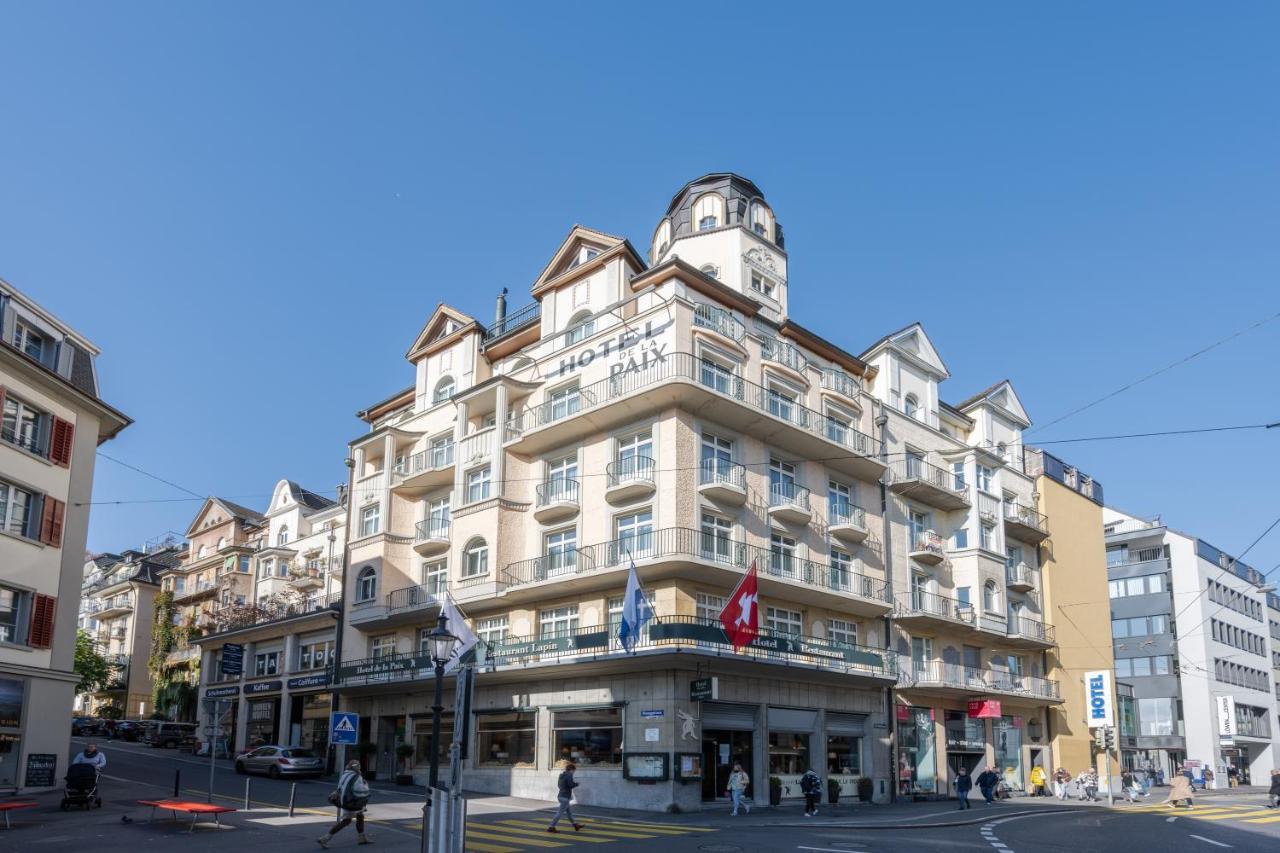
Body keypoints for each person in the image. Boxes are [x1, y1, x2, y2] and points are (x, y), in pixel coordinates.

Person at [317, 760, 372, 847]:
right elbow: (359, 789)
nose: (359, 767)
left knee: (360, 816)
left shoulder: (345, 774)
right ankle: (325, 838)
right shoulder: (357, 776)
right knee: (347, 821)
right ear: (356, 767)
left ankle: (362, 838)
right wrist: (366, 785)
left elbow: (340, 787)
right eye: (358, 766)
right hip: (353, 802)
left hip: (345, 800)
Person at [547, 762, 583, 833]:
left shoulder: (561, 775)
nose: (574, 772)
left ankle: (575, 825)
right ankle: (551, 827)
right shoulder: (569, 775)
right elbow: (570, 785)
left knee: (569, 813)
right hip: (565, 797)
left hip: (561, 796)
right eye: (574, 771)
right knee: (559, 813)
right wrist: (576, 784)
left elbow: (559, 785)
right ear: (571, 769)